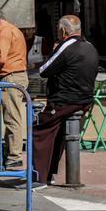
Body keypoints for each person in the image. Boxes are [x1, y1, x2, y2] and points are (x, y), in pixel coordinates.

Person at [30, 15, 98, 189]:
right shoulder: (90, 47)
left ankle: (39, 178)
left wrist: (55, 50)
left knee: (39, 130)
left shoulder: (66, 47)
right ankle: (49, 174)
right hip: (84, 100)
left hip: (64, 100)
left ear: (62, 31)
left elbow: (44, 71)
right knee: (58, 133)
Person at [0, 8, 29, 169]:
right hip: (14, 75)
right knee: (11, 116)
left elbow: (0, 57)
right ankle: (9, 154)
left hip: (11, 76)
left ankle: (14, 156)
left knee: (12, 118)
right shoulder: (11, 30)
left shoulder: (5, 32)